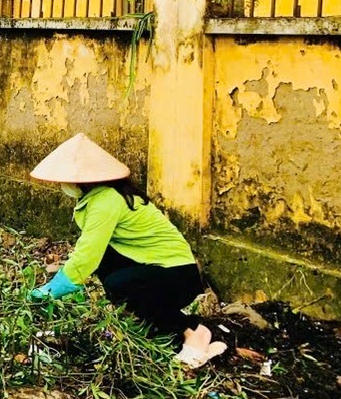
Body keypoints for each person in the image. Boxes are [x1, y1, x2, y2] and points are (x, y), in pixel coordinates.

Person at [28, 133, 227, 369]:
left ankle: (192, 331)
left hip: (177, 275)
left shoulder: (106, 201)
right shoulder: (103, 197)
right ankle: (158, 325)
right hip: (161, 270)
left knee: (120, 284)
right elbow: (94, 253)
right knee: (109, 267)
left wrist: (53, 289)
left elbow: (87, 253)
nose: (64, 186)